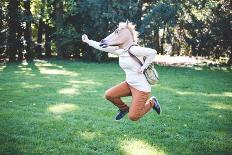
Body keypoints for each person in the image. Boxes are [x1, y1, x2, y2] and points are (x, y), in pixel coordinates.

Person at [82, 21, 161, 121]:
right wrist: (88, 41)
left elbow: (152, 52)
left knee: (133, 117)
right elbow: (102, 47)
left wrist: (144, 67)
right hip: (129, 84)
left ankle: (152, 102)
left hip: (141, 89)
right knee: (109, 95)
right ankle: (124, 109)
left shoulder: (134, 49)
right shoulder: (120, 51)